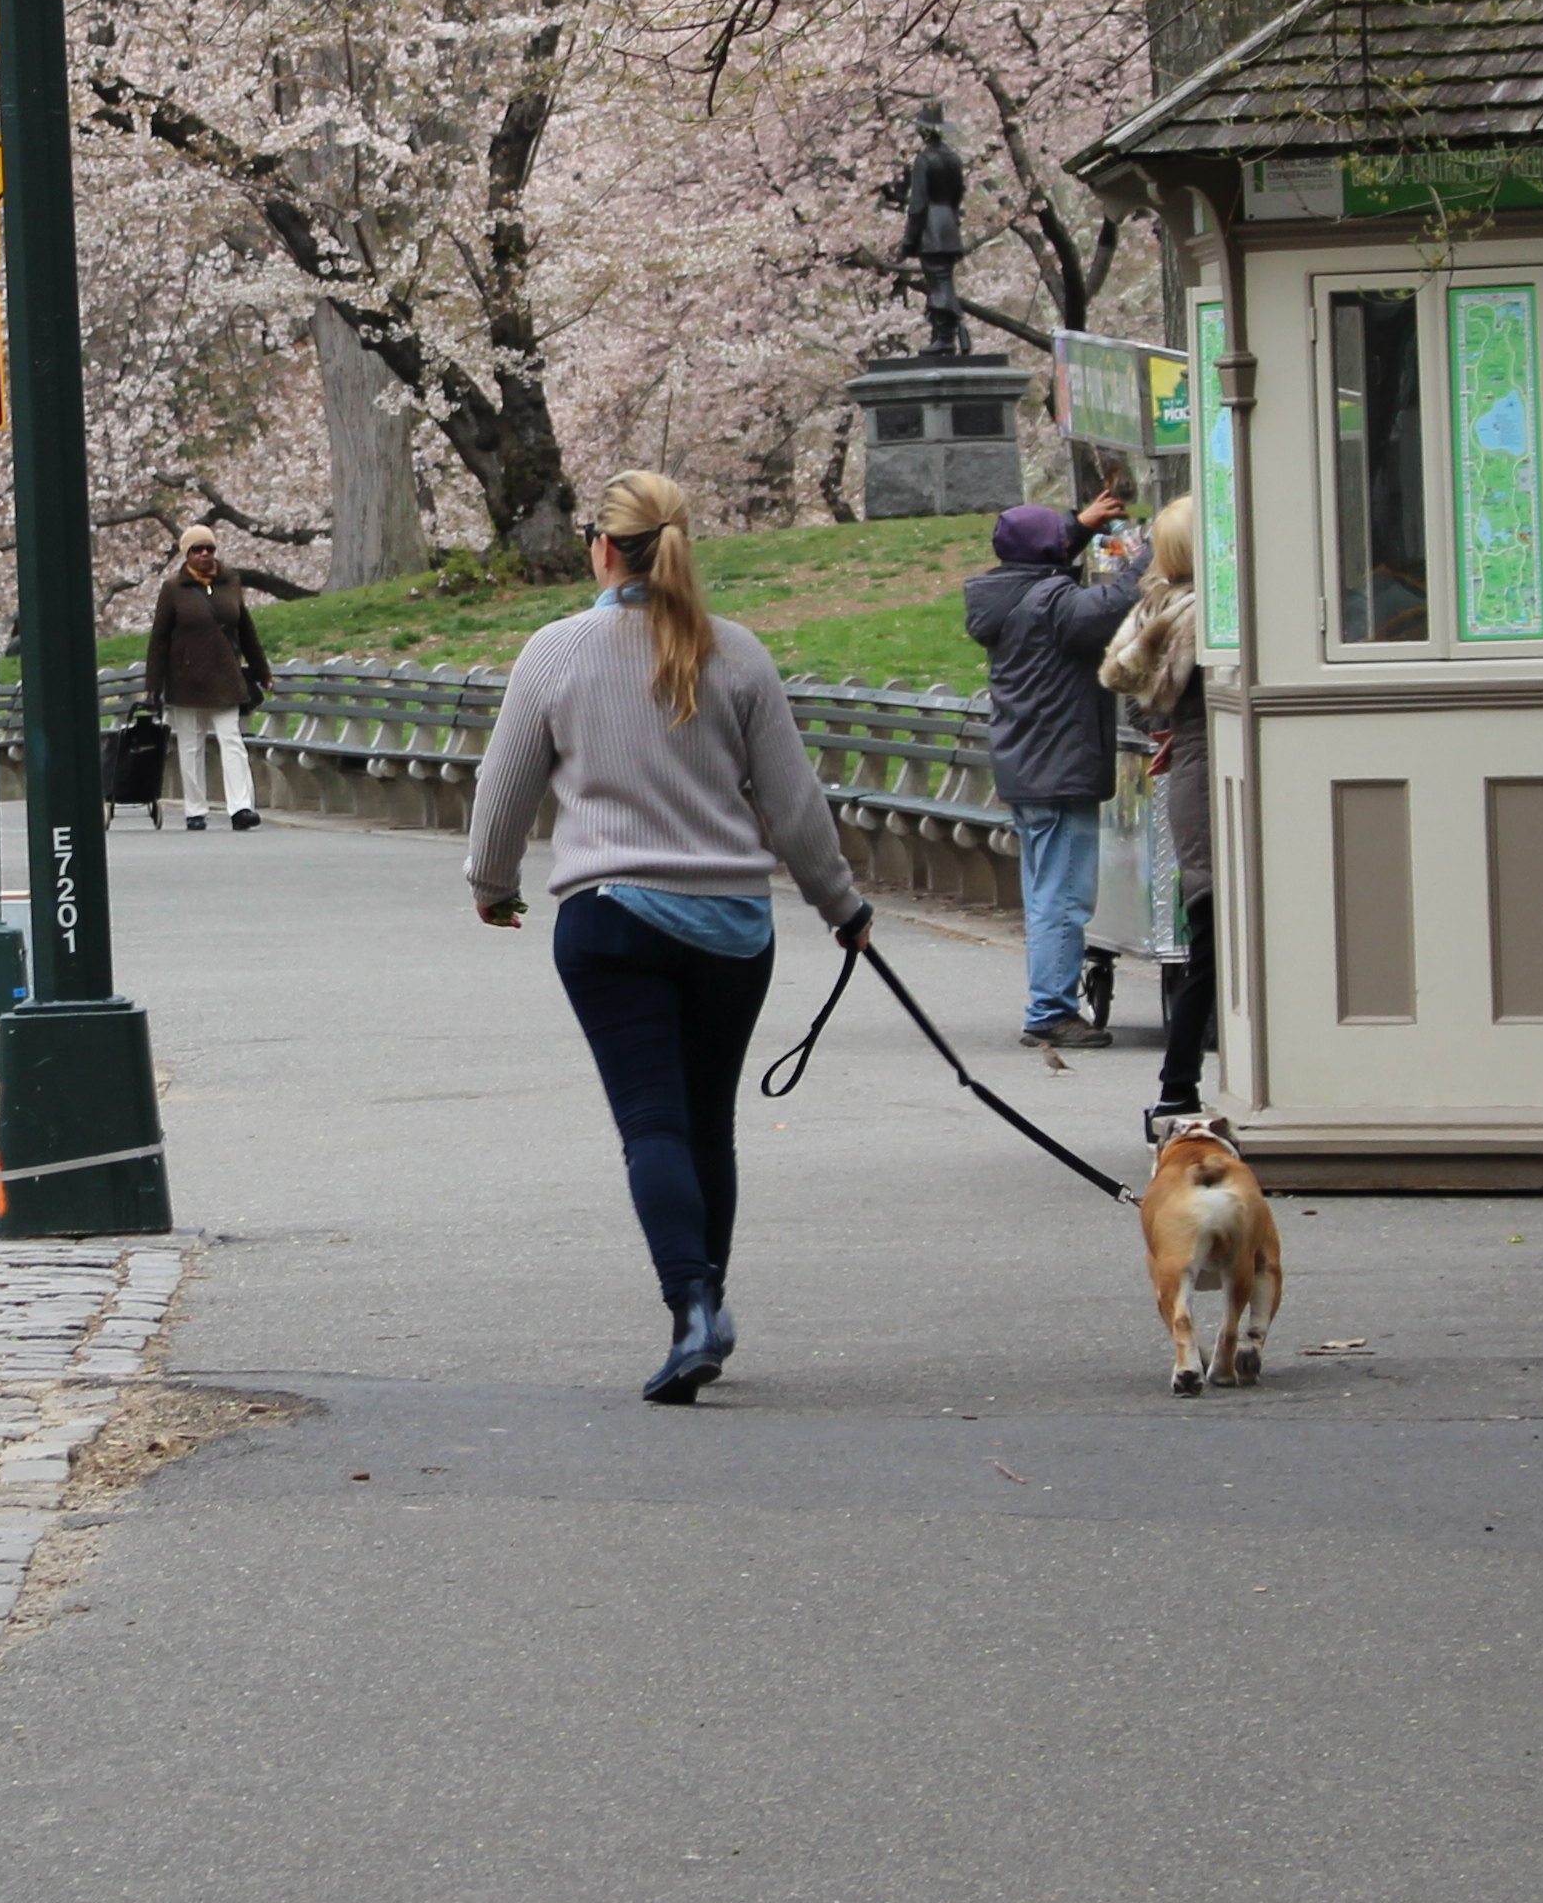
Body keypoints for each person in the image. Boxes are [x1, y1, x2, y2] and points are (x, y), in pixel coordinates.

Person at [468, 469, 874, 1405]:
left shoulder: (556, 653)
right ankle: (710, 1301)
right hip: (732, 926)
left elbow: (504, 793)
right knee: (707, 1125)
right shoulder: (737, 656)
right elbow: (794, 808)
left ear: (603, 549)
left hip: (610, 920)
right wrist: (841, 907)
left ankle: (691, 1307)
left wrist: (492, 887)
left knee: (652, 1124)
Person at [965, 488, 1140, 1046]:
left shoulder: (1009, 593)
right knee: (1062, 898)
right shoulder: (1053, 604)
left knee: (1048, 890)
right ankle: (1050, 1011)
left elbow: (1052, 552)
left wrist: (1081, 527)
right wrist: (1154, 552)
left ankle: (1051, 1003)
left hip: (1031, 766)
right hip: (1058, 767)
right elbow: (1116, 605)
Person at [1098, 492, 1226, 1141]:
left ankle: (1178, 1083)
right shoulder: (1208, 619)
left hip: (1188, 778)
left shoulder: (1156, 614)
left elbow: (1141, 708)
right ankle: (1179, 1083)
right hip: (1212, 780)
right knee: (1215, 933)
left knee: (1207, 930)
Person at [146, 528, 274, 832]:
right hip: (186, 679)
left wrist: (262, 670)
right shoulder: (173, 589)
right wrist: (153, 685)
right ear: (187, 554)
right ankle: (195, 809)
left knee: (232, 742)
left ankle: (241, 807)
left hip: (226, 677)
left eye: (209, 548)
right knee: (190, 746)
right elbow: (159, 640)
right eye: (197, 549)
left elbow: (246, 630)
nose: (204, 554)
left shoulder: (231, 583)